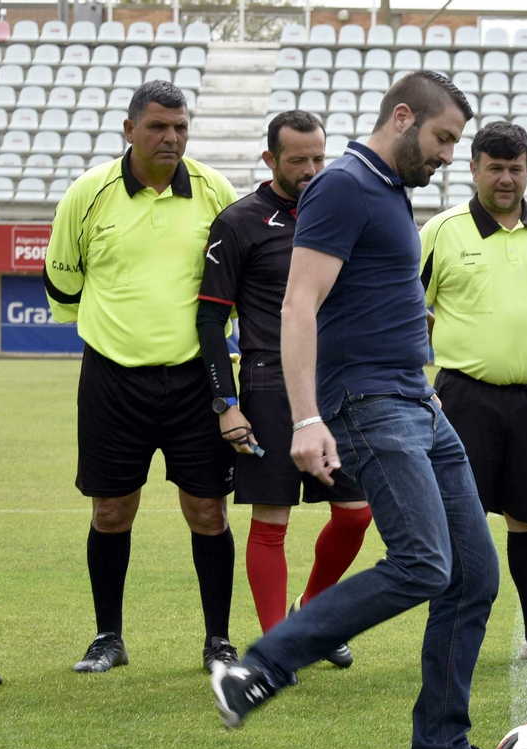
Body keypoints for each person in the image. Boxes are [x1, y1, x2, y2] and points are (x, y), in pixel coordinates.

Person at [210, 72, 501, 749]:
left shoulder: (390, 190)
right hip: (369, 404)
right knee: (426, 562)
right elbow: (297, 304)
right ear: (402, 117)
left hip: (417, 403)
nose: (445, 156)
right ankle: (260, 667)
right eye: (440, 139)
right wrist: (307, 418)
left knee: (473, 577)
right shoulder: (342, 184)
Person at [43, 80, 240, 674]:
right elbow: (63, 283)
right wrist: (121, 332)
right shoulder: (88, 193)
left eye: (180, 126)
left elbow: (237, 280)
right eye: (158, 126)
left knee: (208, 511)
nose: (171, 138)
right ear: (129, 130)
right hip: (112, 380)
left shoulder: (214, 191)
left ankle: (217, 642)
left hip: (197, 382)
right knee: (111, 511)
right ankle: (108, 637)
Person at [196, 110, 371, 669]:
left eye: (320, 158)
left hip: (338, 381)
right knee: (271, 518)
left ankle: (312, 617)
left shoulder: (346, 211)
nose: (312, 170)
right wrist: (226, 404)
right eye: (299, 161)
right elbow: (209, 322)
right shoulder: (240, 222)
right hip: (269, 380)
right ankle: (279, 648)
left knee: (356, 513)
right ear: (270, 160)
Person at [418, 121, 527, 668]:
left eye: (515, 168)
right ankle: (450, 635)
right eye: (494, 167)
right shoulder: (441, 231)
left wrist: (520, 343)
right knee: (458, 523)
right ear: (473, 169)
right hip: (461, 399)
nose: (505, 178)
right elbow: (409, 314)